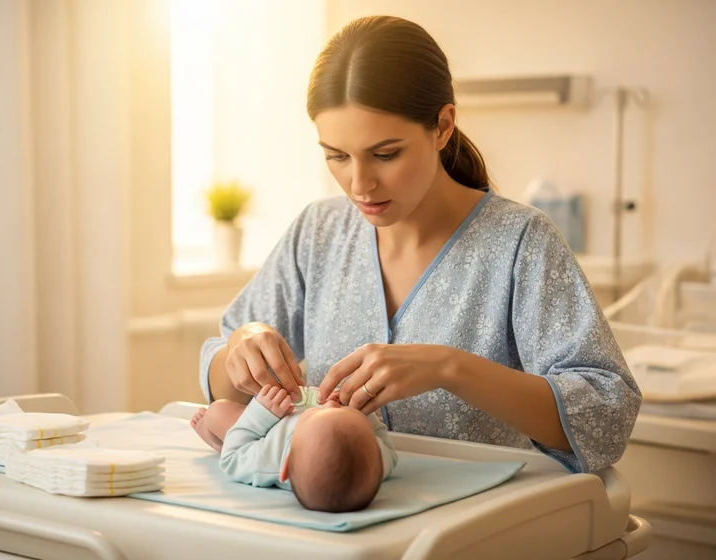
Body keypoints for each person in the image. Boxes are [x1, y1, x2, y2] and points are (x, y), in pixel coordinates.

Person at [200, 15, 641, 474]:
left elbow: (606, 416)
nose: (360, 184)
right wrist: (240, 347)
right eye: (337, 156)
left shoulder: (521, 242)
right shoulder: (318, 232)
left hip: (477, 514)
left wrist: (449, 368)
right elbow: (222, 391)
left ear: (443, 126)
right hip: (332, 516)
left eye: (385, 154)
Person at [190, 384, 398, 512]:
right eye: (342, 412)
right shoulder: (378, 462)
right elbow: (385, 443)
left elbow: (232, 456)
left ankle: (212, 437)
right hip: (290, 408)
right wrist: (359, 410)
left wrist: (261, 414)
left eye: (315, 414)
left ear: (286, 466)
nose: (330, 405)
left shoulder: (270, 461)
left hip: (264, 429)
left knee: (217, 411)